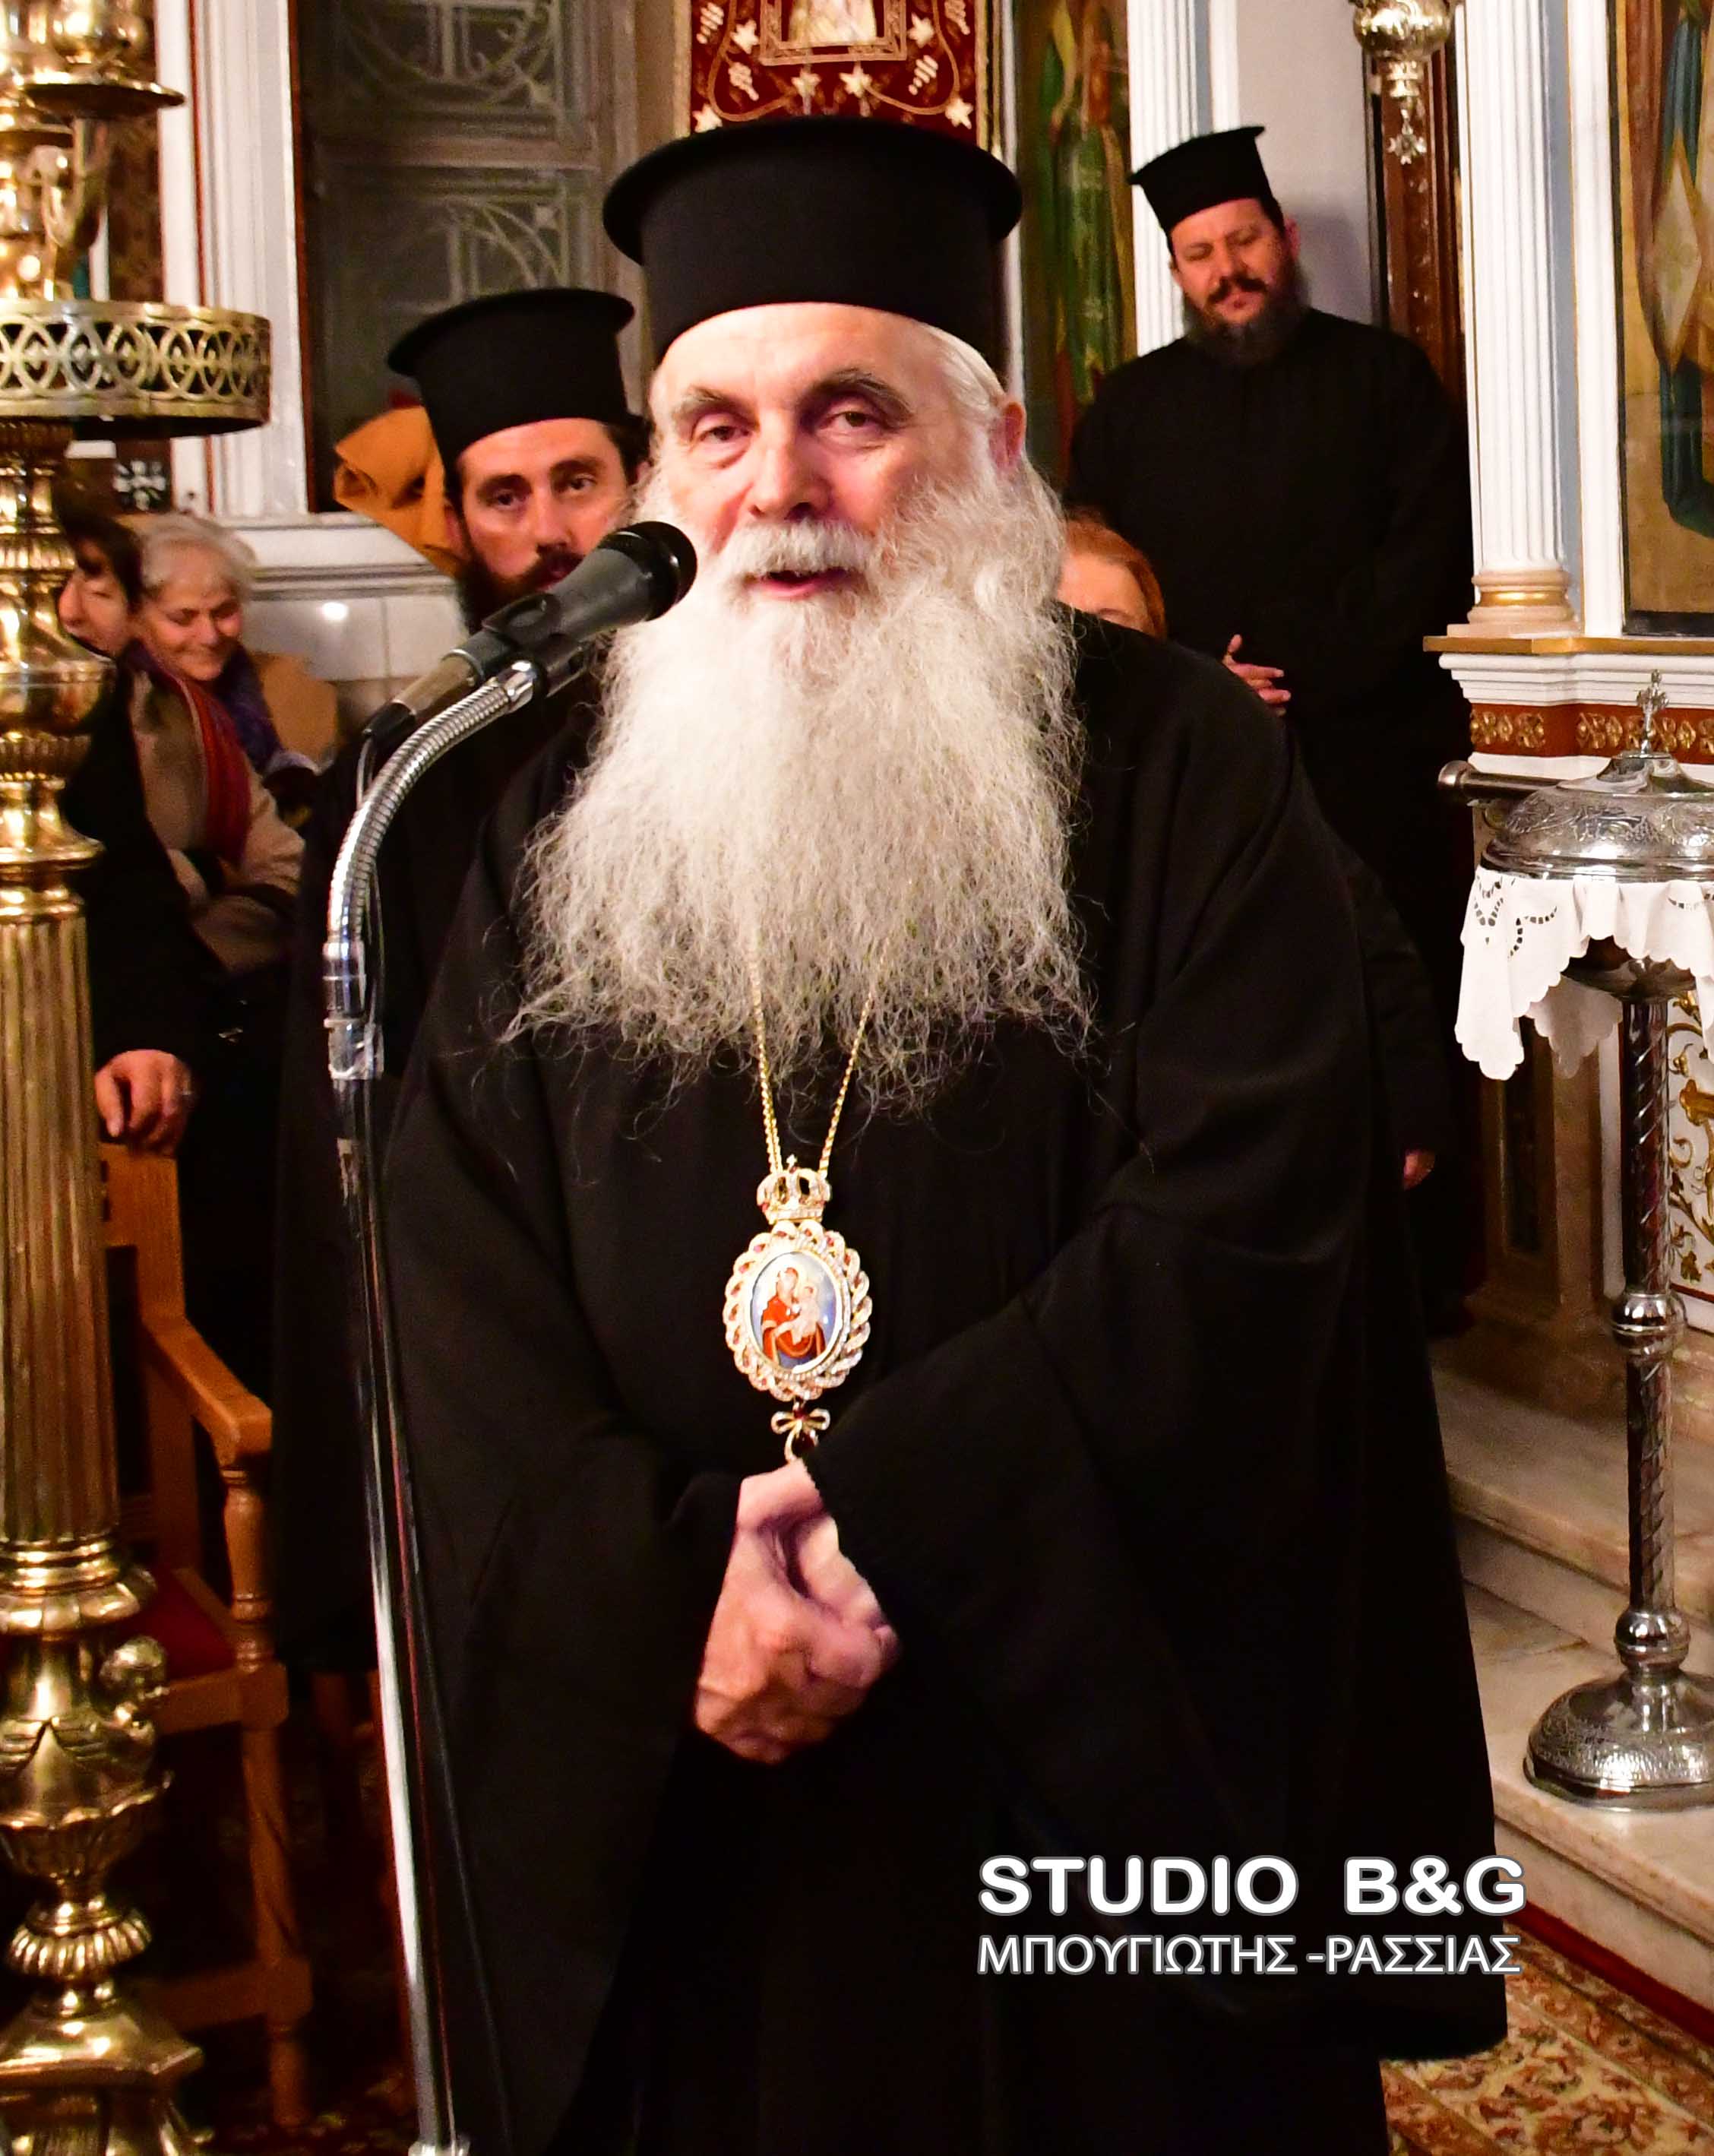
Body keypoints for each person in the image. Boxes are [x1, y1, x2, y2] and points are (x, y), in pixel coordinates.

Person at [385, 117, 1504, 2156]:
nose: (776, 487)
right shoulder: (547, 814)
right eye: (715, 427)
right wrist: (670, 1592)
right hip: (694, 1768)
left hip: (1090, 1777)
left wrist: (882, 1530)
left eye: (849, 414)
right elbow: (456, 1266)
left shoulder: (1183, 763)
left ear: (989, 451)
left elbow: (1251, 1223)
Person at [270, 287, 647, 1673]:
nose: (551, 534)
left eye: (577, 482)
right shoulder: (403, 776)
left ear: (638, 485)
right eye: (505, 497)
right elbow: (351, 1137)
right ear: (459, 526)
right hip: (499, 1307)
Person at [1065, 124, 1476, 1322]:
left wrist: (1294, 674)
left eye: (1243, 241)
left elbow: (1427, 560)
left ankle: (1413, 1286)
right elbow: (1093, 576)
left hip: (1365, 757)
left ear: (1283, 240)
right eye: (1201, 255)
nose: (1228, 271)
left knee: (1389, 992)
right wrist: (1201, 685)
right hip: (1188, 762)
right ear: (1177, 272)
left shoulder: (1383, 380)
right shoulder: (1130, 410)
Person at [1058, 511, 1450, 1186]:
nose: (1092, 652)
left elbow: (1356, 921)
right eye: (1067, 626)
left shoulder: (1216, 784)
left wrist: (1410, 1109)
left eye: (1115, 629)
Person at [56, 493, 213, 1155]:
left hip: (60, 1038)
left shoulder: (79, 696)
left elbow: (125, 873)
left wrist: (144, 1033)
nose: (70, 611)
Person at [133, 512, 334, 817]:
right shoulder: (128, 707)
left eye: (224, 612)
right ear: (137, 618)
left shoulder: (291, 690)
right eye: (183, 618)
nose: (210, 636)